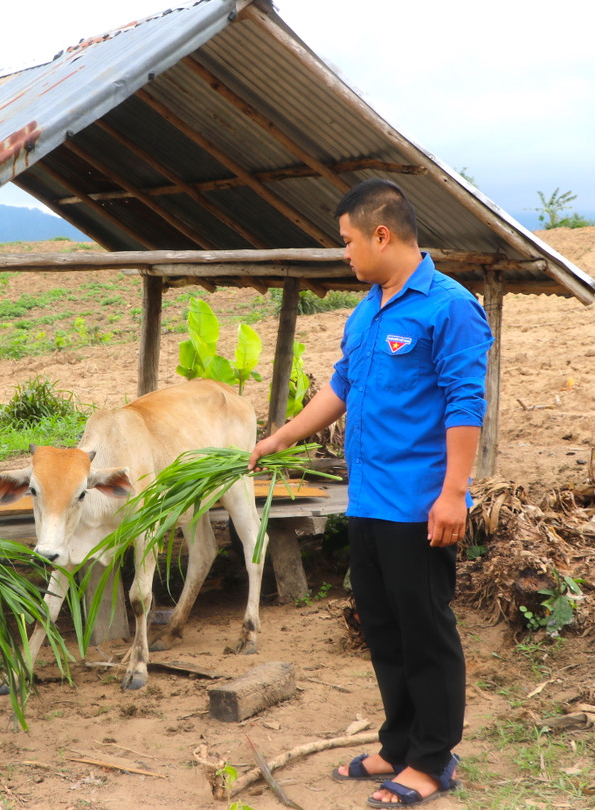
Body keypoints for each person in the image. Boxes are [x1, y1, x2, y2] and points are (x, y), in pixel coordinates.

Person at [249, 179, 492, 807]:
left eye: (349, 242)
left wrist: (453, 494)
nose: (346, 255)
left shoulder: (448, 305)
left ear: (382, 234)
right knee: (383, 627)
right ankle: (399, 740)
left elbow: (466, 402)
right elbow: (342, 387)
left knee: (425, 629)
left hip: (419, 503)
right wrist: (280, 438)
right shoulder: (368, 310)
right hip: (368, 500)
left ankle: (432, 759)